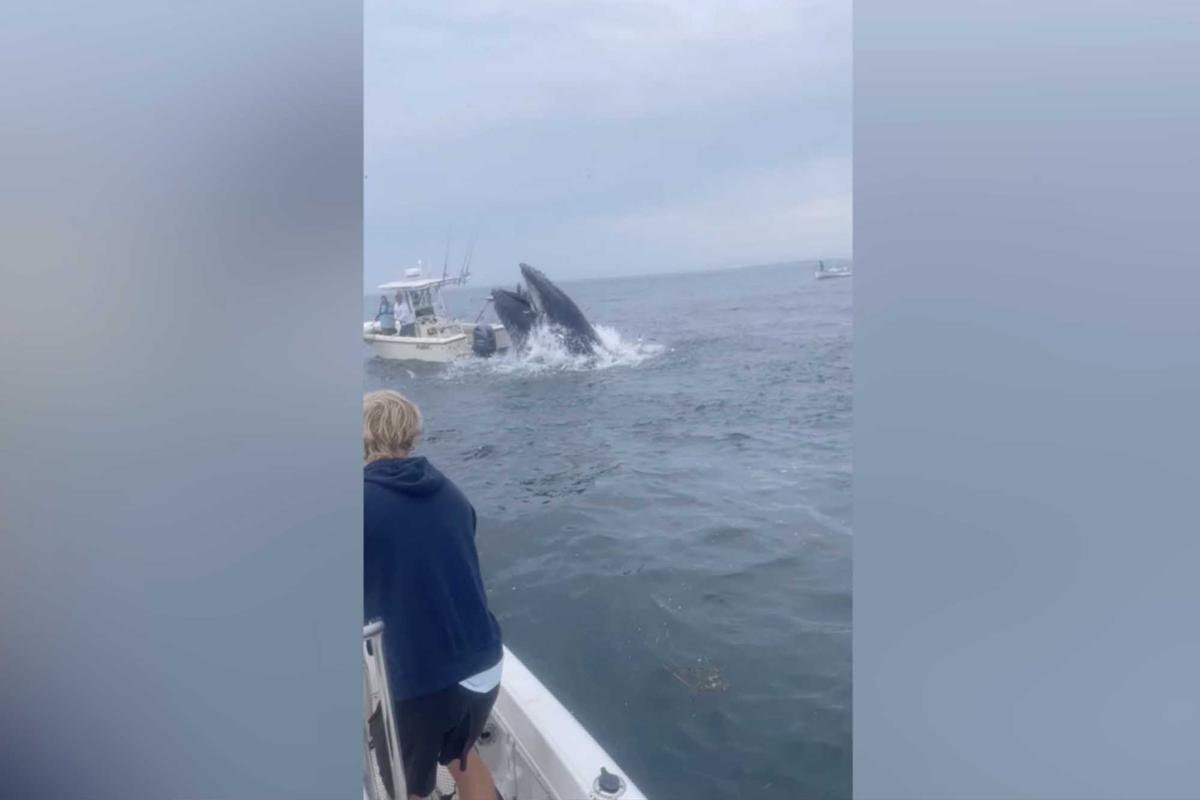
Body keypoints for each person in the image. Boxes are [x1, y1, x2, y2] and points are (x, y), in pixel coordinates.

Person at [363, 390, 503, 800]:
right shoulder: (450, 491)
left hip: (424, 681)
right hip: (484, 665)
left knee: (406, 785)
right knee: (461, 756)